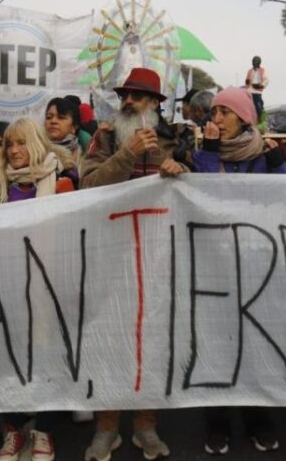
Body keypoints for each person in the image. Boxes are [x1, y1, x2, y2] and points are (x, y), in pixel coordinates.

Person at [80, 68, 185, 461]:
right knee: (110, 340)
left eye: (137, 96)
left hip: (158, 255)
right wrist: (127, 153)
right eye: (124, 94)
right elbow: (88, 186)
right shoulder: (105, 138)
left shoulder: (174, 140)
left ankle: (145, 426)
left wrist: (180, 171)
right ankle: (107, 428)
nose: (127, 102)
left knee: (153, 341)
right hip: (111, 255)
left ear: (154, 104)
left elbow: (194, 189)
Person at [0, 119, 77, 461]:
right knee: (10, 357)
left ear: (35, 144)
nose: (14, 150)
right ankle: (14, 429)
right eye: (9, 144)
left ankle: (44, 430)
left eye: (21, 143)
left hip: (50, 285)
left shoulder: (63, 181)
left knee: (48, 357)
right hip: (8, 285)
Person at [191, 88, 283, 455]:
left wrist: (279, 164)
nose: (216, 119)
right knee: (216, 342)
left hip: (254, 260)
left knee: (255, 341)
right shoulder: (204, 152)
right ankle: (217, 421)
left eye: (224, 112)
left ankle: (257, 418)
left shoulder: (262, 155)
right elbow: (201, 194)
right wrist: (210, 153)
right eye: (213, 112)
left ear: (244, 118)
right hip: (214, 261)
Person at [44, 97, 83, 165]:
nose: (53, 121)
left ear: (74, 127)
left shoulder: (86, 155)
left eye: (61, 117)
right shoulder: (35, 152)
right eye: (49, 117)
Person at [245, 55, 268, 119]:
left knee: (258, 107)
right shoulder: (249, 71)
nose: (253, 62)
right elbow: (247, 80)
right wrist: (247, 82)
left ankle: (259, 118)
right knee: (248, 106)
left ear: (259, 62)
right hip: (249, 91)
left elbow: (266, 80)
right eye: (253, 61)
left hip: (257, 91)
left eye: (255, 61)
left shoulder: (263, 70)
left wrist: (261, 85)